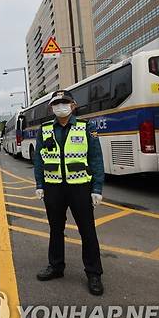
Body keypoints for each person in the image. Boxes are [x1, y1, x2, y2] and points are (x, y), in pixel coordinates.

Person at [33, 89, 105, 296]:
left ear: (73, 105)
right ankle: (56, 266)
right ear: (51, 108)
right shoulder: (45, 129)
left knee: (87, 230)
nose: (60, 106)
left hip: (80, 187)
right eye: (57, 104)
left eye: (64, 103)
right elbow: (39, 160)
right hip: (53, 187)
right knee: (55, 229)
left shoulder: (85, 128)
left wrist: (97, 188)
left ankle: (94, 273)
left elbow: (96, 159)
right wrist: (39, 184)